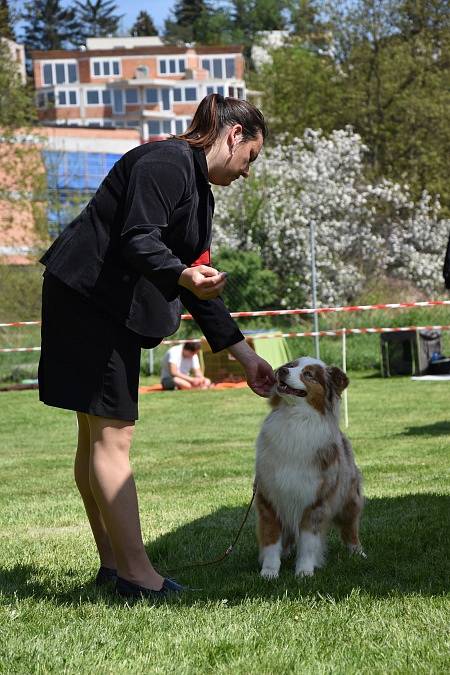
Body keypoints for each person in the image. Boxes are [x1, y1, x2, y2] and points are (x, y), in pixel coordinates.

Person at [38, 93, 275, 601]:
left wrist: (245, 355)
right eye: (251, 156)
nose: (248, 171)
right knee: (111, 436)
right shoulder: (165, 162)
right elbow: (138, 239)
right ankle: (136, 575)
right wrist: (182, 272)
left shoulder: (197, 190)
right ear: (233, 136)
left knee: (95, 435)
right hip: (89, 301)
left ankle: (114, 565)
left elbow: (198, 284)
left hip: (91, 300)